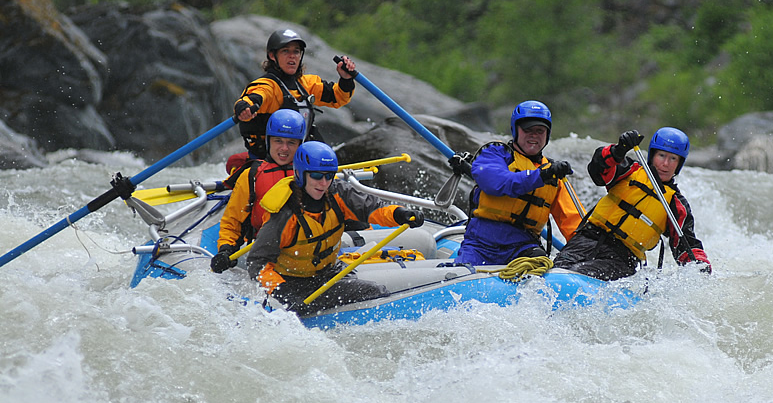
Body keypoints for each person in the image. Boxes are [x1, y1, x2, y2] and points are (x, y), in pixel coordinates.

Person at [246, 141, 424, 315]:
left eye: (328, 176)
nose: (323, 183)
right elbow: (257, 263)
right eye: (316, 176)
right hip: (291, 283)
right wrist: (283, 292)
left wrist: (399, 214)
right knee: (373, 291)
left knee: (375, 292)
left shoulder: (338, 192)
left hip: (329, 273)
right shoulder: (283, 215)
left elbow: (372, 208)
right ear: (300, 174)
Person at [554, 127, 710, 280]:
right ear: (653, 155)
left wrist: (700, 266)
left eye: (673, 159)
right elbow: (598, 171)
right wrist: (618, 151)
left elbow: (686, 243)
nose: (666, 164)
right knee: (558, 270)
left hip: (621, 258)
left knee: (578, 272)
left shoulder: (675, 203)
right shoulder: (629, 169)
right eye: (661, 155)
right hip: (587, 239)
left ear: (679, 164)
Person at [449, 100, 582, 266]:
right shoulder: (494, 153)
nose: (534, 135)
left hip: (523, 245)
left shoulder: (554, 175)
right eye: (528, 129)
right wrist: (542, 175)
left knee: (541, 268)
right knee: (457, 273)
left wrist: (586, 255)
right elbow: (498, 183)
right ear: (515, 130)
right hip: (481, 243)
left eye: (540, 130)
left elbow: (574, 223)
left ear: (547, 135)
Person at [233, 28, 358, 159]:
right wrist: (244, 108)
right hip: (268, 160)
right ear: (272, 56)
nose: (292, 56)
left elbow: (337, 97)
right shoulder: (267, 85)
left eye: (296, 52)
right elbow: (254, 97)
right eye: (285, 51)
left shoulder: (306, 84)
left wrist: (346, 79)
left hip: (299, 159)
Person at [211, 109, 307, 273]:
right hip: (264, 252)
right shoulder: (252, 175)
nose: (284, 148)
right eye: (278, 141)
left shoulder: (312, 174)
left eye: (291, 143)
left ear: (300, 144)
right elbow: (232, 223)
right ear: (269, 141)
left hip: (305, 252)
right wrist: (226, 250)